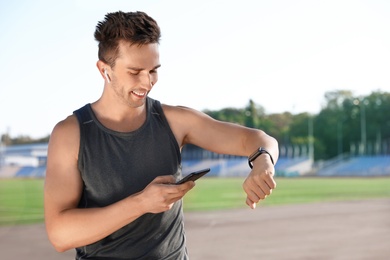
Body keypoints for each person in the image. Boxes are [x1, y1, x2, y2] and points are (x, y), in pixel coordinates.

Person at [44, 11, 279, 259]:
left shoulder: (175, 121)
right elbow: (60, 235)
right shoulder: (70, 134)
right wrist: (141, 203)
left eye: (153, 70)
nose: (147, 82)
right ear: (105, 70)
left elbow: (258, 140)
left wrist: (263, 160)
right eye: (135, 72)